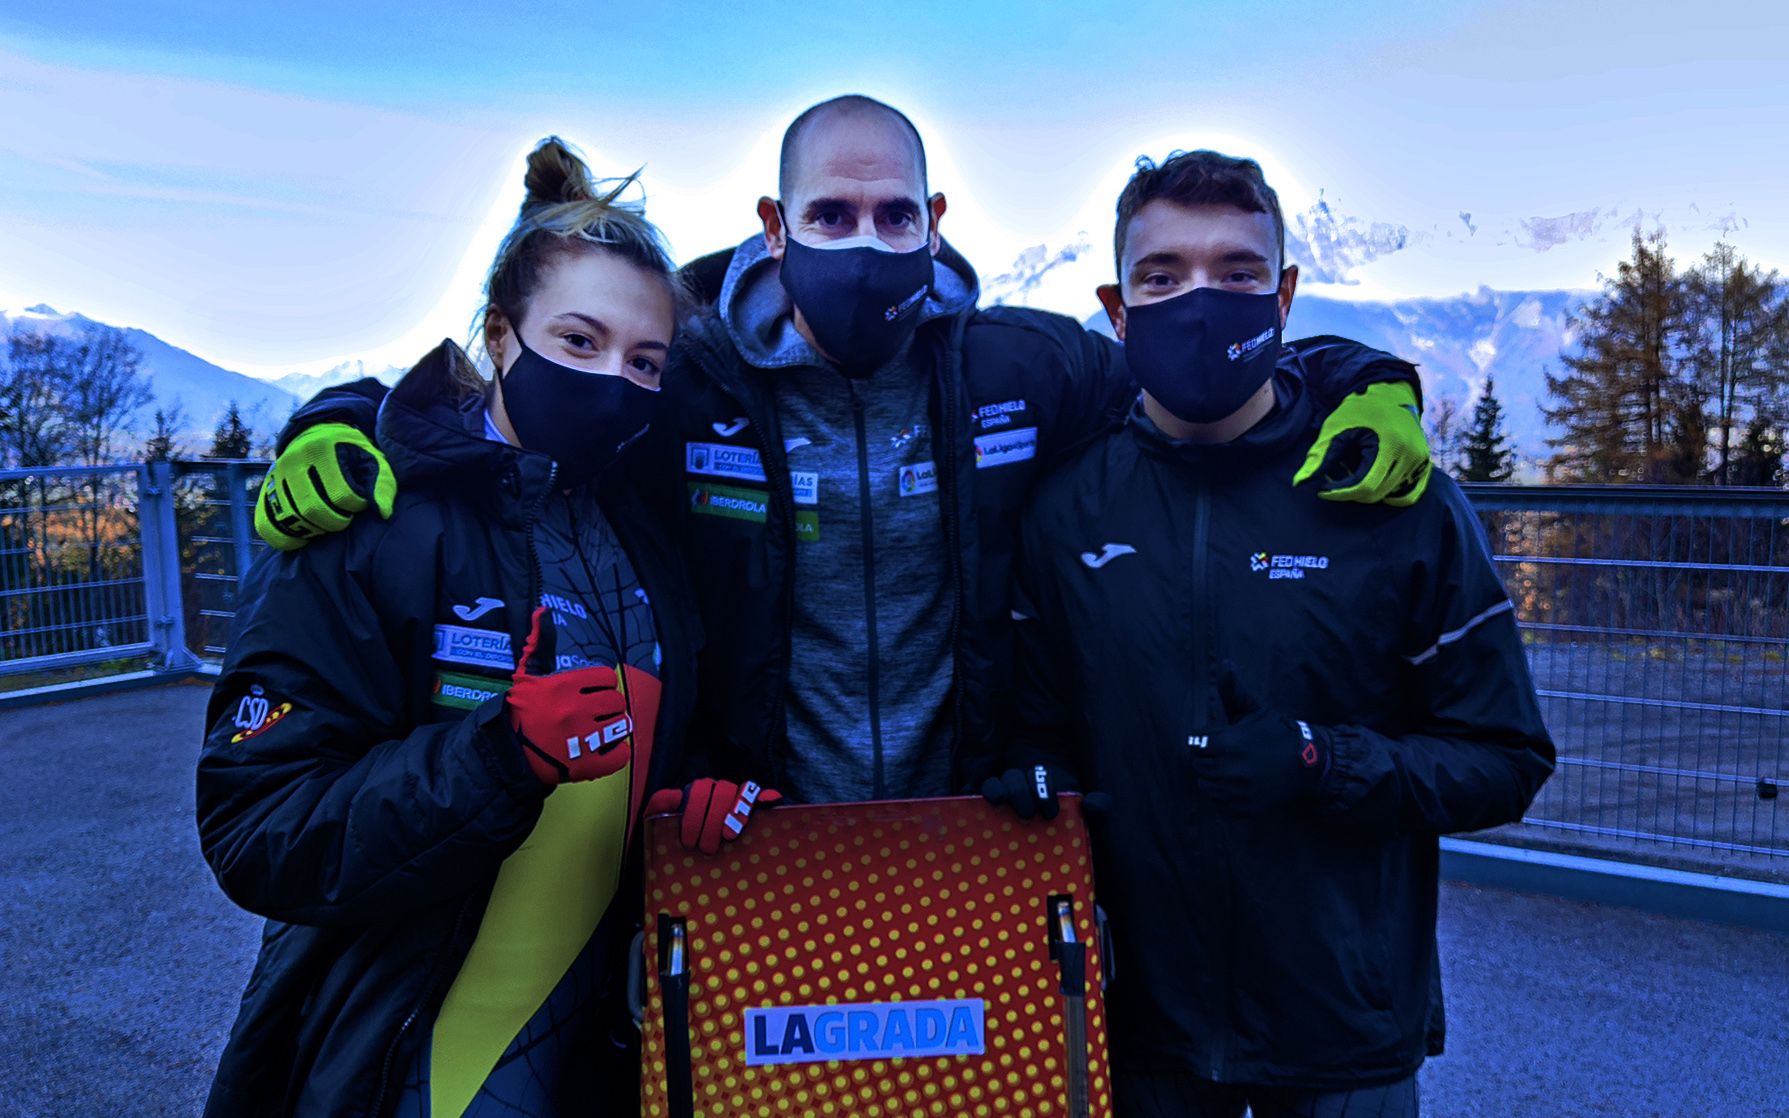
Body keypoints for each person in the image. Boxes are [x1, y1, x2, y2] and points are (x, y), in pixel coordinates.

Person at [254, 95, 1434, 816]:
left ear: (936, 218)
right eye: (829, 216)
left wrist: (1365, 381)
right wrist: (339, 416)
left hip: (968, 818)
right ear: (775, 225)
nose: (864, 243)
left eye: (893, 216)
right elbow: (495, 400)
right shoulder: (688, 374)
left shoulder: (1017, 365)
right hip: (750, 821)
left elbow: (1201, 364)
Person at [998, 149, 1556, 1117]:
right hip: (1141, 1025)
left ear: (1285, 294)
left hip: (1340, 1030)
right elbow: (1037, 725)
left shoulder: (1393, 497)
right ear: (1116, 305)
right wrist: (1031, 773)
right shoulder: (1068, 510)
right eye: (1162, 276)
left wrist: (1322, 761)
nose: (1200, 301)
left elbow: (1505, 759)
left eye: (1237, 273)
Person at [197, 138, 706, 1118]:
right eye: (578, 341)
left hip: (597, 1053)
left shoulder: (640, 526)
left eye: (646, 359)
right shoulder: (367, 522)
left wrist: (688, 791)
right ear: (500, 335)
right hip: (404, 1051)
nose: (615, 379)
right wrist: (497, 754)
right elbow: (255, 822)